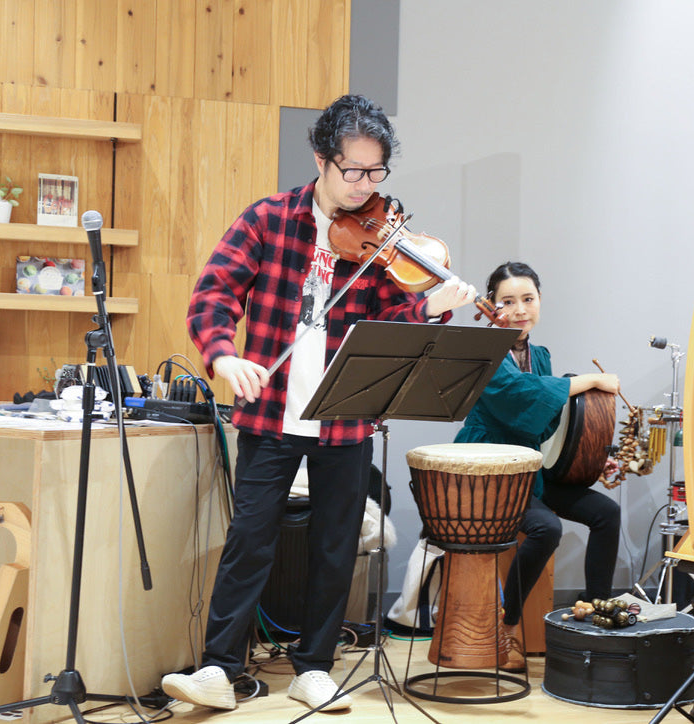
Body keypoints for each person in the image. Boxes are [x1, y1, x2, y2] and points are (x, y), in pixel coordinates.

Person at [162, 95, 477, 713]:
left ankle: (314, 667)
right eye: (352, 170)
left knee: (337, 547)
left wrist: (429, 307)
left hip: (346, 416)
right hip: (271, 411)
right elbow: (214, 293)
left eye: (376, 172)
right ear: (321, 160)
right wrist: (223, 355)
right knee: (249, 541)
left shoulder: (381, 239)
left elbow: (391, 320)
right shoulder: (269, 220)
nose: (365, 186)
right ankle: (219, 668)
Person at [454, 261, 622, 671]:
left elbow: (546, 421)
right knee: (547, 528)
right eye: (508, 301)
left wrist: (590, 458)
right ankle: (507, 624)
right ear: (492, 305)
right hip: (489, 468)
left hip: (528, 468)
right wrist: (588, 380)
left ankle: (597, 614)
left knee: (606, 513)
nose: (519, 310)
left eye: (528, 299)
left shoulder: (539, 355)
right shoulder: (484, 352)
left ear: (540, 301)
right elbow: (521, 396)